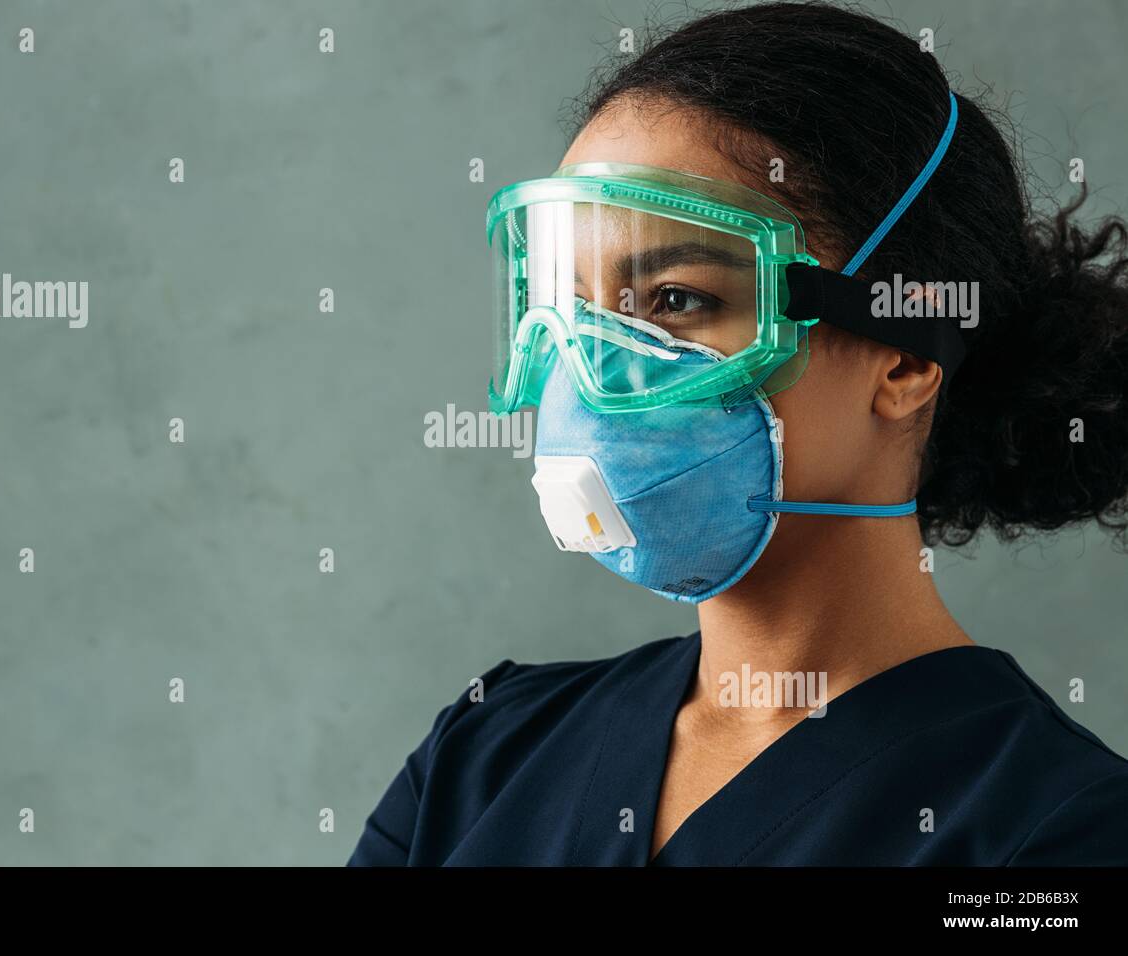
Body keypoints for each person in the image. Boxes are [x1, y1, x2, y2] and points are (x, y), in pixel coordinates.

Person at [349, 2, 1128, 866]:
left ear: (904, 354)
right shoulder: (483, 753)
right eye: (565, 307)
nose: (588, 369)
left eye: (678, 300)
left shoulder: (1057, 835)